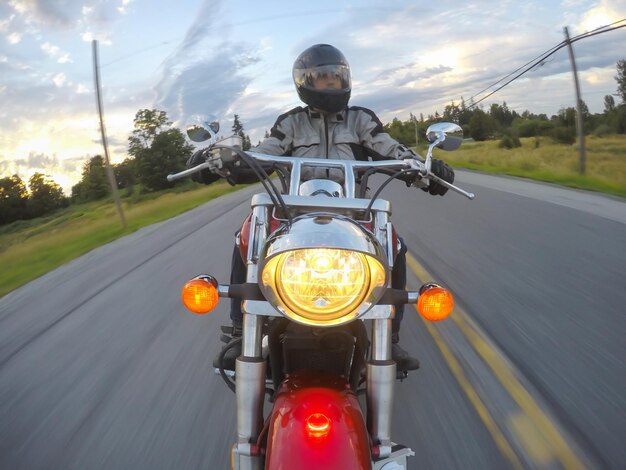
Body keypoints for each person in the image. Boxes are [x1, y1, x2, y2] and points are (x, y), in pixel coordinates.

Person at [188, 44, 454, 372]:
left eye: (336, 78)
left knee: (395, 244)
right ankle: (242, 332)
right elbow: (264, 152)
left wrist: (425, 168)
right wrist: (219, 161)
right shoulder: (291, 123)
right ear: (306, 83)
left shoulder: (361, 119)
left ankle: (391, 336)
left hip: (354, 217)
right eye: (324, 79)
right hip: (294, 219)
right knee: (246, 236)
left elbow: (390, 148)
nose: (332, 85)